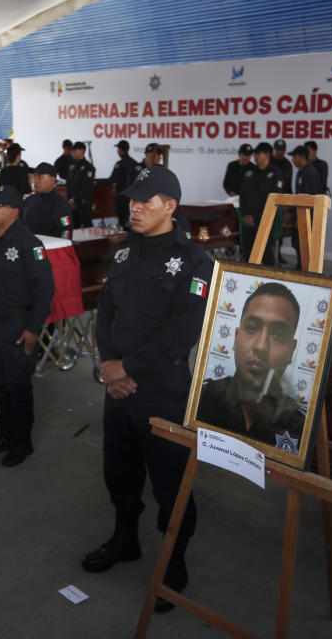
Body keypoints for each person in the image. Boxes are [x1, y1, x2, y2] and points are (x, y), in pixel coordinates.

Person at [82, 166, 213, 614]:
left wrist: (127, 367)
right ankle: (126, 539)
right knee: (119, 470)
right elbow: (105, 314)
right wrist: (108, 365)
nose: (134, 207)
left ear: (170, 207)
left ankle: (174, 561)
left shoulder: (196, 264)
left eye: (145, 201)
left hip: (162, 389)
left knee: (171, 482)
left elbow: (182, 334)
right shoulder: (123, 254)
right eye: (132, 200)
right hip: (117, 389)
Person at [0, 185, 55, 467]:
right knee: (0, 384)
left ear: (14, 212)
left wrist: (34, 329)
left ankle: (23, 440)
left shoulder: (29, 244)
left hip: (18, 324)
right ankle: (5, 434)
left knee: (18, 385)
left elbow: (45, 289)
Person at [196, 282, 305, 452]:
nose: (261, 346)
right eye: (252, 328)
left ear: (291, 351)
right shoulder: (201, 401)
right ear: (236, 338)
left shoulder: (297, 427)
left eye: (278, 335)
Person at [238, 142, 284, 265]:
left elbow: (274, 200)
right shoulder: (250, 172)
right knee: (248, 254)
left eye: (258, 153)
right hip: (248, 221)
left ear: (267, 154)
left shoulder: (276, 174)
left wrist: (255, 217)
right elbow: (242, 196)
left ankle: (270, 283)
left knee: (266, 254)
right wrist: (244, 215)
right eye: (255, 153)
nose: (255, 156)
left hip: (265, 221)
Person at [289, 144, 324, 268]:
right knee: (297, 242)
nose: (293, 159)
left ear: (303, 157)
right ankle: (301, 265)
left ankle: (305, 268)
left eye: (295, 157)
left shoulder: (310, 173)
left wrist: (304, 218)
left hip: (307, 215)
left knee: (305, 243)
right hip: (300, 213)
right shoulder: (300, 172)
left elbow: (310, 198)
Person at [22, 162, 72, 236]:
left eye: (40, 177)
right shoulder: (29, 200)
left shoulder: (60, 204)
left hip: (50, 246)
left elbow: (66, 231)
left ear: (53, 180)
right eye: (35, 176)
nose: (36, 181)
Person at [66, 141, 95, 228]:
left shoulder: (88, 167)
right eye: (72, 150)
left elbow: (86, 186)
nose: (72, 152)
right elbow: (69, 183)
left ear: (82, 150)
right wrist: (69, 198)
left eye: (75, 150)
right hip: (71, 204)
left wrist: (74, 199)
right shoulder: (72, 166)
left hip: (83, 203)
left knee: (86, 228)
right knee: (74, 228)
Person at [109, 140, 138, 228]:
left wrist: (97, 183)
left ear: (120, 150)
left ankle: (127, 239)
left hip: (122, 197)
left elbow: (112, 180)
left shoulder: (119, 164)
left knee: (124, 223)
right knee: (132, 222)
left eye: (118, 149)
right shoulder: (134, 163)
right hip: (133, 197)